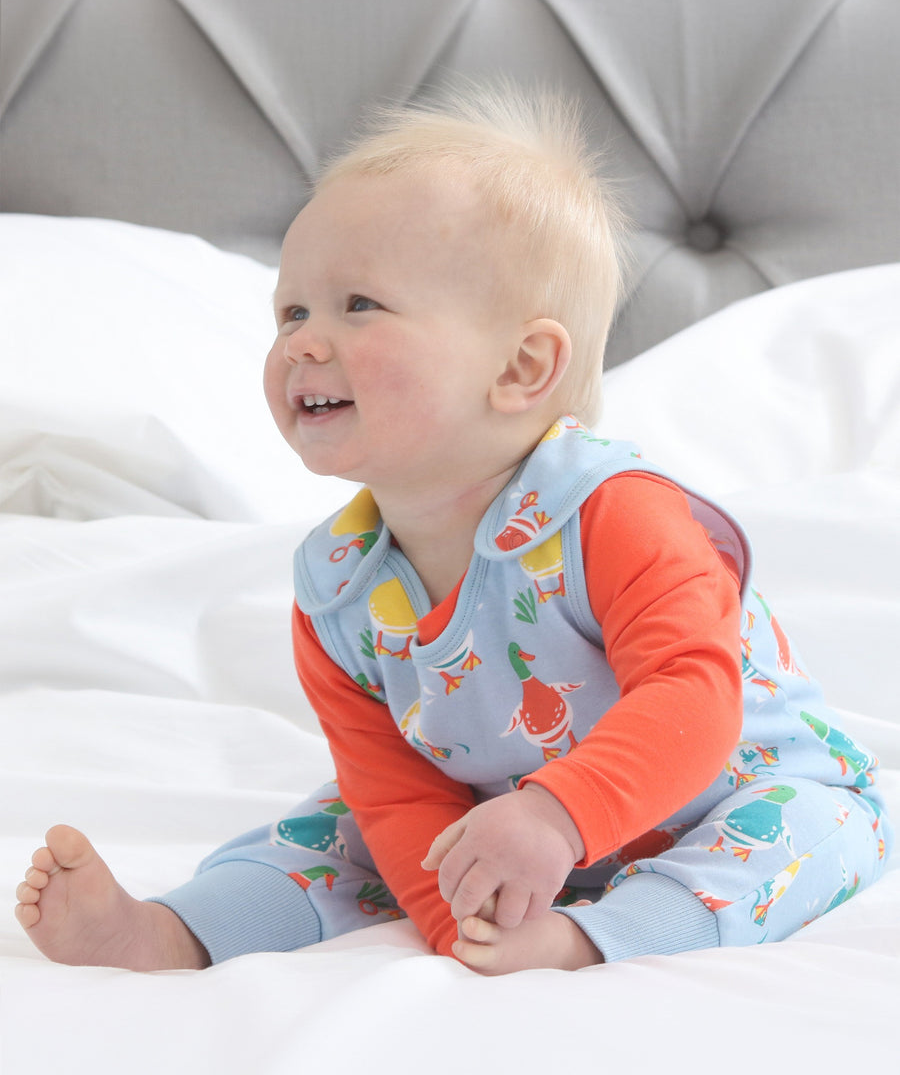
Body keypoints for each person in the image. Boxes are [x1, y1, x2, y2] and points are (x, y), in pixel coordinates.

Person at [15, 86, 891, 975]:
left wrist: (557, 817)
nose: (303, 345)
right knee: (341, 830)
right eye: (291, 312)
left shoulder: (613, 511)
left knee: (805, 837)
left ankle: (596, 937)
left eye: (359, 304)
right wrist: (461, 922)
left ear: (520, 367)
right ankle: (174, 933)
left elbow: (692, 696)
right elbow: (395, 791)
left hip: (725, 784)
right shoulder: (338, 587)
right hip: (497, 806)